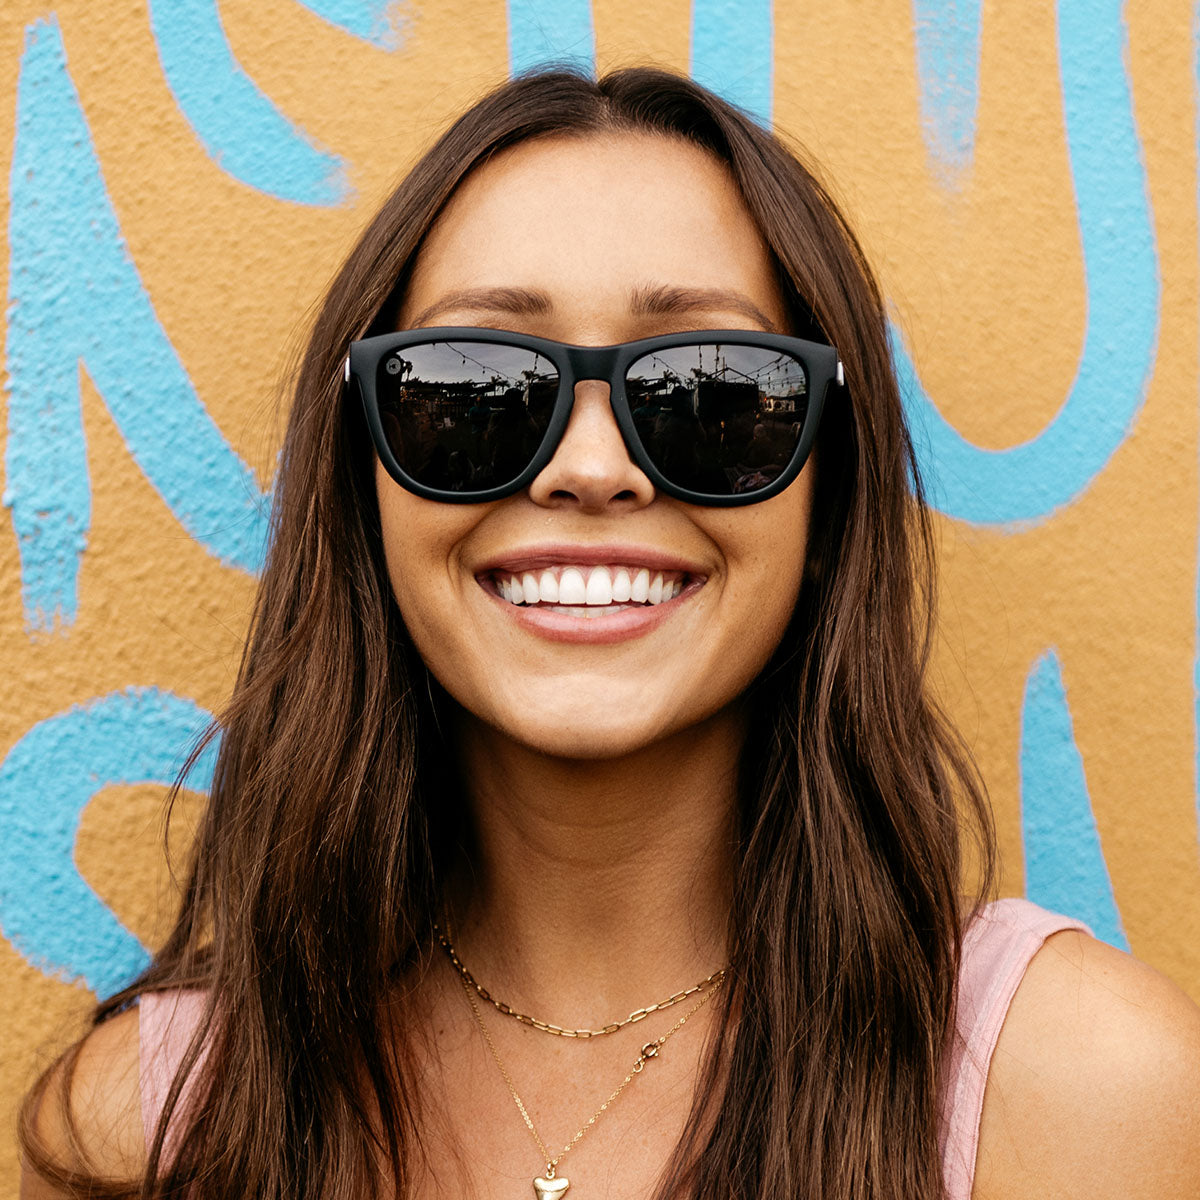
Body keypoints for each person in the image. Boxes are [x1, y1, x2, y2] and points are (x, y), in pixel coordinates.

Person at [19, 67, 1200, 1200]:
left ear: (826, 490)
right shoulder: (148, 1131)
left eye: (714, 391)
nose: (593, 468)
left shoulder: (1077, 1091)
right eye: (474, 387)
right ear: (364, 479)